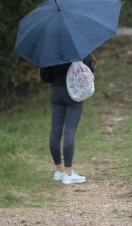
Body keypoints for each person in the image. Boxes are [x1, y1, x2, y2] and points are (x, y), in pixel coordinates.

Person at [40, 54, 96, 185]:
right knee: (69, 130)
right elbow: (88, 73)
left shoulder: (50, 51)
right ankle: (69, 173)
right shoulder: (79, 50)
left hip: (56, 92)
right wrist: (93, 65)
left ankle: (59, 170)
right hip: (73, 92)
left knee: (55, 130)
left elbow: (45, 76)